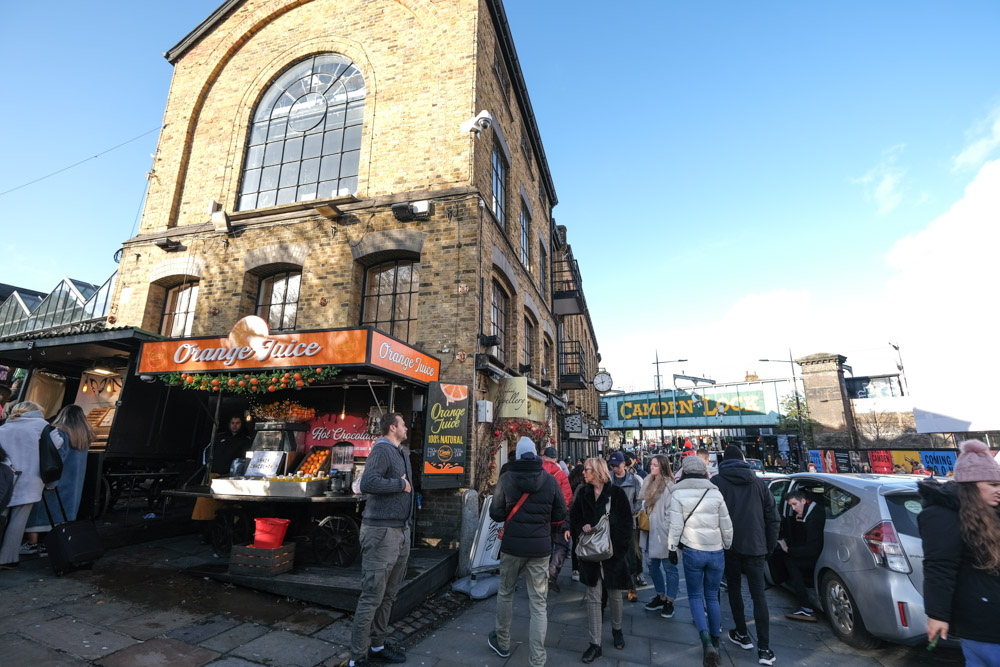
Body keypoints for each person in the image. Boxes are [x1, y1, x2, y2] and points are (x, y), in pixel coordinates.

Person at [919, 439, 1000, 666]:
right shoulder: (942, 515)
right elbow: (939, 567)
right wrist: (937, 615)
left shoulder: (991, 510)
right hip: (982, 621)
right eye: (993, 484)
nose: (999, 490)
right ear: (971, 485)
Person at [488, 437, 566, 666]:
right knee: (539, 604)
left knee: (505, 593)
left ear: (519, 455)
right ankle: (538, 658)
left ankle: (502, 642)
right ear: (535, 455)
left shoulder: (505, 479)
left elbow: (496, 514)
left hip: (512, 548)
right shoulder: (550, 481)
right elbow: (560, 515)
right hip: (540, 550)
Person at [349, 412, 412, 667]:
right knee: (372, 596)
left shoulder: (400, 452)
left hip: (400, 531)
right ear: (393, 427)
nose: (407, 428)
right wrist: (399, 484)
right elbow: (368, 482)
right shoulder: (382, 449)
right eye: (404, 424)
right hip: (381, 533)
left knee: (388, 596)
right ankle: (357, 658)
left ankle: (377, 645)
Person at [711, 446, 780, 665]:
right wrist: (768, 546)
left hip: (729, 546)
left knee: (734, 589)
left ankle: (742, 633)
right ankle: (764, 648)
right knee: (758, 596)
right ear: (743, 459)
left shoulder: (717, 483)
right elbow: (773, 517)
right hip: (756, 546)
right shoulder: (759, 483)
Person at [667, 455, 733, 667]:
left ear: (684, 472)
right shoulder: (715, 492)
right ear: (705, 472)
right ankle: (715, 639)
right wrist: (727, 544)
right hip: (715, 551)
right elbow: (726, 524)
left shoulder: (678, 493)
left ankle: (705, 641)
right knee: (712, 596)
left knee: (695, 596)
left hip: (693, 550)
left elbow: (675, 526)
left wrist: (672, 548)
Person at [570, 457, 633, 663]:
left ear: (597, 471)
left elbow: (626, 525)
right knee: (594, 598)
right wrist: (582, 528)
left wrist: (618, 551)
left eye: (587, 470)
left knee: (615, 596)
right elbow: (575, 518)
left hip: (612, 555)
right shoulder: (583, 494)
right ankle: (594, 643)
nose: (583, 473)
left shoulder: (616, 494)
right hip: (590, 555)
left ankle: (617, 630)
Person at [22, 405, 95, 556]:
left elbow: (55, 459)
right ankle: (51, 544)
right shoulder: (85, 435)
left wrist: (50, 482)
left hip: (57, 481)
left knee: (39, 512)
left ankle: (32, 544)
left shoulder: (59, 433)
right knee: (62, 515)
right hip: (74, 484)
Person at [0, 402, 65, 570]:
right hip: (31, 479)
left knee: (2, 516)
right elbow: (57, 443)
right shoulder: (43, 426)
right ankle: (8, 559)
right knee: (18, 520)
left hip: (5, 477)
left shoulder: (5, 427)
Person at [639, 454, 679, 619]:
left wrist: (671, 537)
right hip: (649, 531)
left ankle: (670, 601)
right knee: (652, 566)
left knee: (669, 568)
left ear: (662, 467)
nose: (651, 467)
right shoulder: (648, 481)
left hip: (663, 533)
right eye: (651, 464)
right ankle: (660, 595)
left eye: (655, 465)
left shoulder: (669, 486)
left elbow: (671, 512)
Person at [778, 488, 825, 621]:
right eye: (791, 505)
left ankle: (805, 607)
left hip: (817, 556)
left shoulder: (813, 518)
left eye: (795, 504)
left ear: (804, 501)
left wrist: (788, 549)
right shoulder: (814, 511)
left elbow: (811, 549)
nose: (793, 508)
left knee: (790, 561)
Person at [608, 450, 642, 601]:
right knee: (612, 554)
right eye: (612, 465)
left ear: (623, 464)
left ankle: (631, 586)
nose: (614, 468)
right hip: (611, 523)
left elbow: (639, 500)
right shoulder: (608, 479)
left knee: (630, 555)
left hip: (628, 524)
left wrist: (632, 511)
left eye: (617, 465)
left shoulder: (634, 480)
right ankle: (613, 585)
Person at [539, 446, 572, 592]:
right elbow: (567, 498)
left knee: (544, 546)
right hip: (558, 518)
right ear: (556, 459)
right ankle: (551, 574)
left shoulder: (537, 472)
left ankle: (540, 576)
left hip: (541, 517)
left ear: (543, 457)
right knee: (561, 546)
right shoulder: (561, 474)